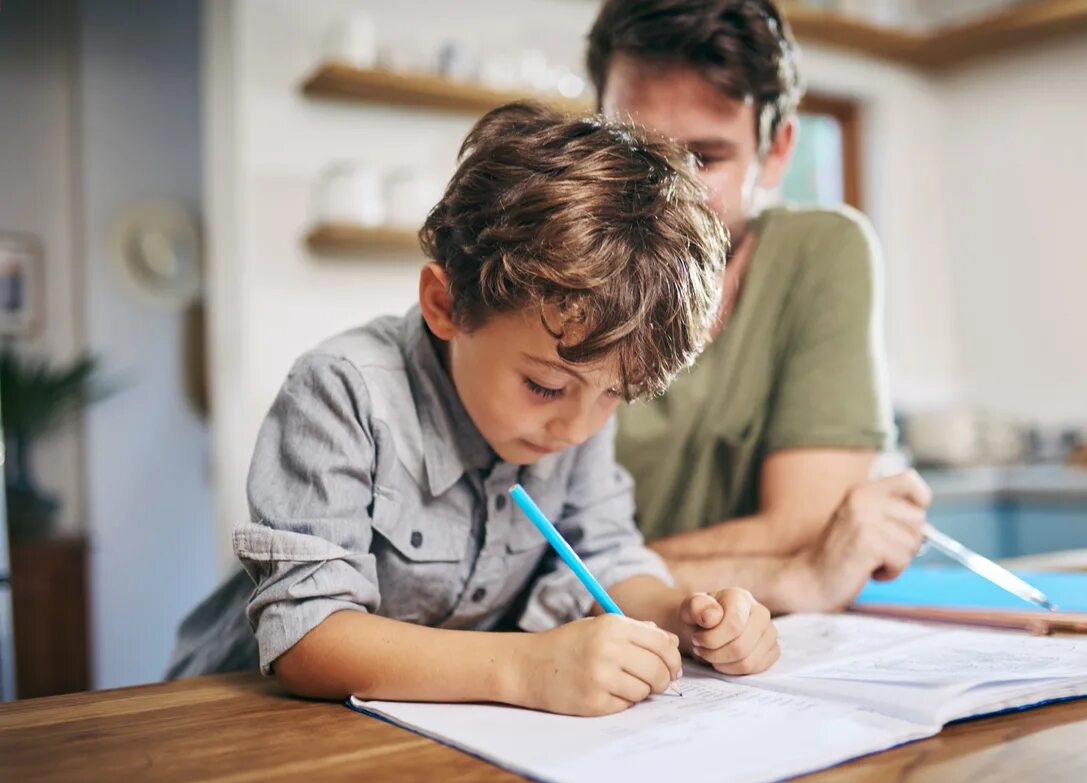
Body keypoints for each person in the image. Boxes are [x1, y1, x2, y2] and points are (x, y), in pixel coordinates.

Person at [167, 103, 779, 716]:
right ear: (445, 305)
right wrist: (525, 668)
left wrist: (683, 617)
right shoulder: (342, 392)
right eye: (543, 386)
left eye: (615, 396)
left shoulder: (575, 406)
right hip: (231, 718)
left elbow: (609, 559)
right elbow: (309, 638)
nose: (577, 428)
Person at [586, 0, 932, 611]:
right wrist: (795, 567)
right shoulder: (552, 268)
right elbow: (524, 572)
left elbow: (804, 523)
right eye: (633, 152)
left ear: (776, 151)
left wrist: (594, 573)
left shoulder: (822, 253)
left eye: (705, 158)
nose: (662, 194)